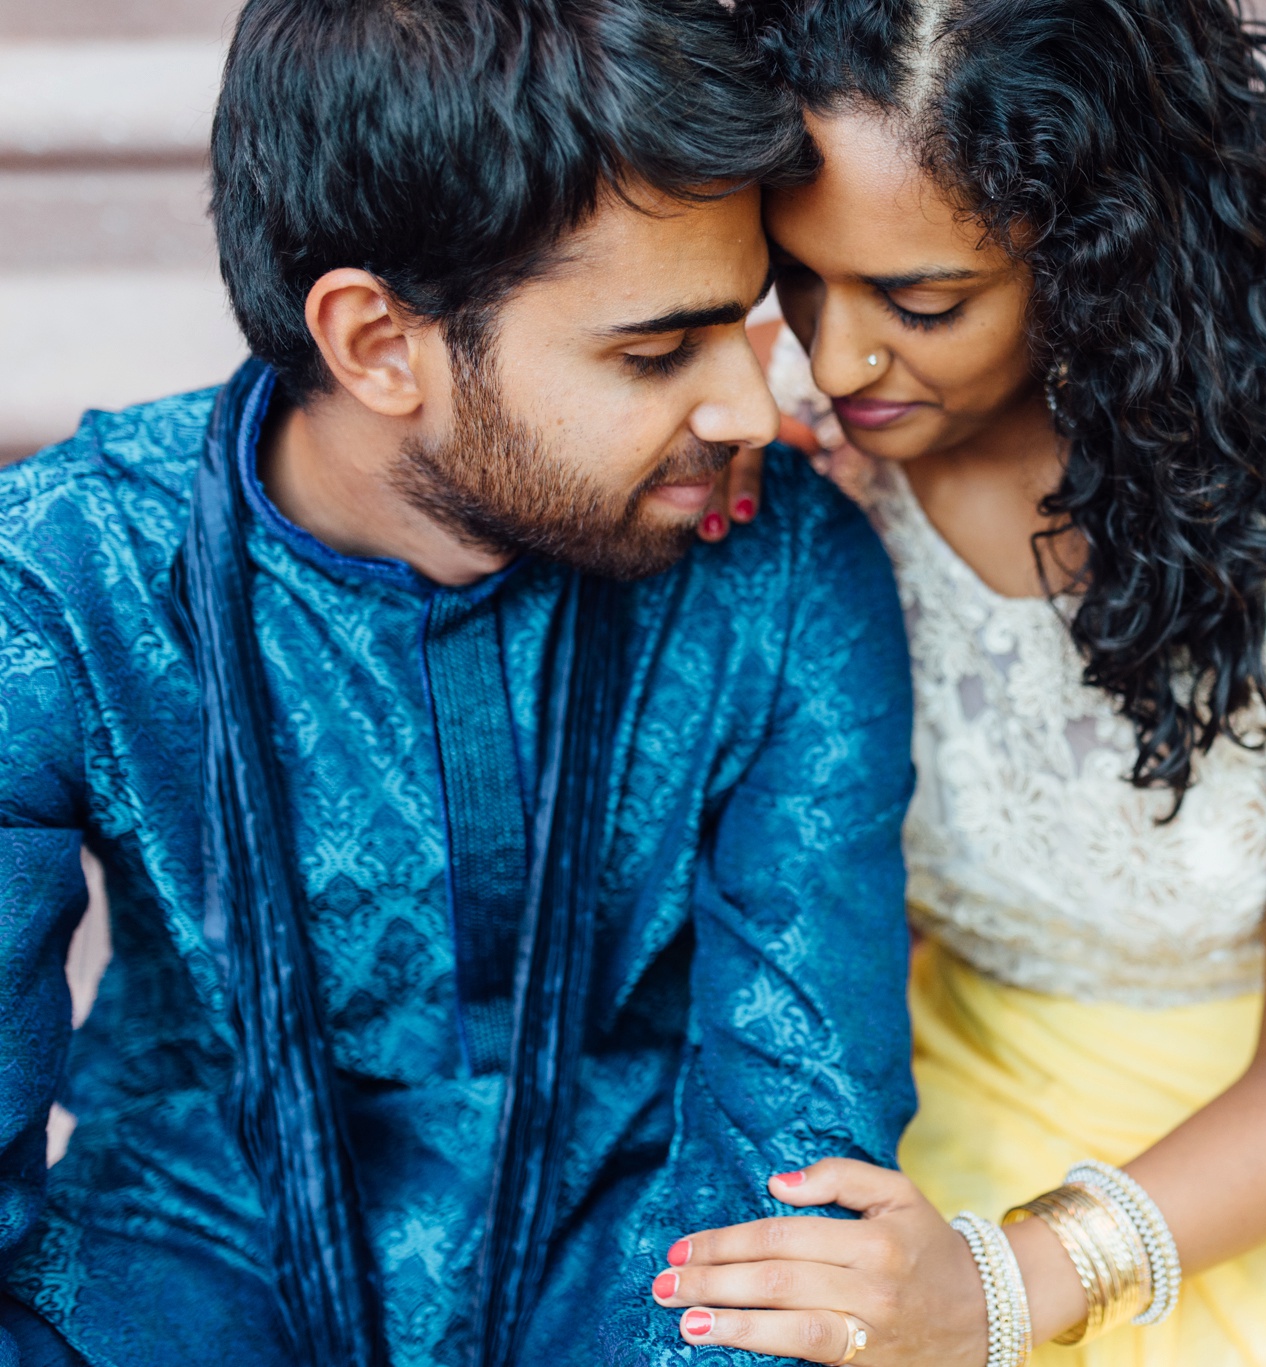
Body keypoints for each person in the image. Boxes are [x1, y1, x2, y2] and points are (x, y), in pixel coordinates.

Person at [646, 1, 1266, 1363]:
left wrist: (1001, 1285)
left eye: (924, 302)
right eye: (804, 280)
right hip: (967, 1054)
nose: (836, 363)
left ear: (1095, 259)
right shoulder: (824, 461)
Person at [0, 2, 917, 1364]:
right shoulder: (68, 581)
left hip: (651, 1270)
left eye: (748, 325)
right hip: (182, 1253)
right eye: (657, 351)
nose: (748, 409)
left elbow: (793, 1152)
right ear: (378, 344)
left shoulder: (779, 562)